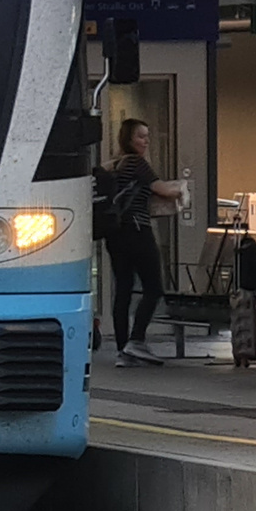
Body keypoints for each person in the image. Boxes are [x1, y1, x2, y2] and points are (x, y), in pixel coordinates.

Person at [100, 118, 182, 366]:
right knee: (154, 287)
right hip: (138, 230)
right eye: (141, 137)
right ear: (128, 139)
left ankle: (123, 350)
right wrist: (182, 189)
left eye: (147, 136)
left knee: (123, 289)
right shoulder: (137, 163)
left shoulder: (112, 165)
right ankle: (136, 340)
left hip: (115, 234)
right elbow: (163, 190)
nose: (146, 141)